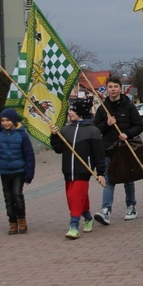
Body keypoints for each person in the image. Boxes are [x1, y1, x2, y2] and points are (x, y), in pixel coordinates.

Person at [49, 98, 106, 239]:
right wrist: (54, 135)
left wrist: (101, 172)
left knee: (75, 197)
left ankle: (74, 226)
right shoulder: (66, 130)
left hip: (83, 171)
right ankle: (88, 218)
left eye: (72, 110)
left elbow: (99, 153)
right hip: (69, 172)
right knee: (76, 198)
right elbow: (58, 149)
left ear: (81, 112)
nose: (70, 113)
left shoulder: (93, 131)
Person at [93, 76, 143, 225]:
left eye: (116, 86)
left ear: (120, 88)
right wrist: (107, 124)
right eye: (110, 87)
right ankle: (106, 211)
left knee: (128, 179)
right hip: (109, 149)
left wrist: (127, 134)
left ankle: (131, 206)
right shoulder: (103, 109)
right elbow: (95, 129)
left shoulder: (128, 106)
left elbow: (139, 125)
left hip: (125, 148)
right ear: (107, 89)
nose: (113, 89)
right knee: (109, 180)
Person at [0, 108, 35, 235]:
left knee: (17, 195)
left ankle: (21, 219)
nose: (5, 123)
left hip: (19, 170)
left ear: (13, 120)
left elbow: (29, 155)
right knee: (8, 198)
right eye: (3, 120)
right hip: (4, 170)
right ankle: (12, 222)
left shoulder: (22, 135)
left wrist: (29, 174)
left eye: (8, 120)